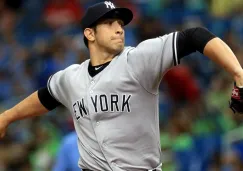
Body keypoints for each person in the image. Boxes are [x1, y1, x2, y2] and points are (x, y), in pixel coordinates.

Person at [0, 1, 243, 171]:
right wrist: (7, 117)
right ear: (90, 33)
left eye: (121, 23)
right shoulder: (70, 78)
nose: (119, 28)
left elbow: (195, 36)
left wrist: (237, 71)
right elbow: (45, 97)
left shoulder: (138, 59)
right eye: (109, 23)